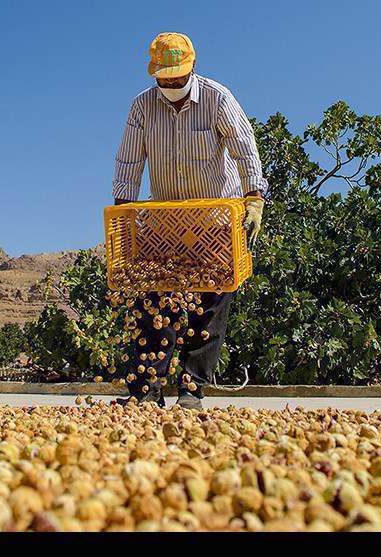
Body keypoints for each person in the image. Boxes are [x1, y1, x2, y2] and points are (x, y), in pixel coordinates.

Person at [112, 32, 268, 410]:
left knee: (210, 306)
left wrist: (255, 198)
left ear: (192, 67)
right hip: (166, 223)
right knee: (154, 305)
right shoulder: (142, 107)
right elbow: (129, 163)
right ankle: (146, 390)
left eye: (177, 77)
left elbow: (245, 148)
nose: (171, 84)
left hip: (215, 221)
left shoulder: (217, 98)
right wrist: (124, 215)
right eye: (164, 79)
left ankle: (192, 388)